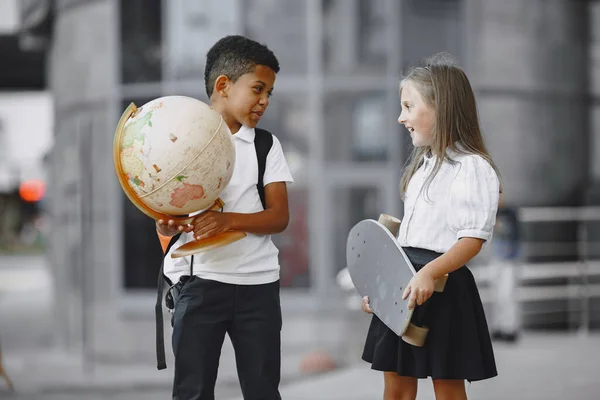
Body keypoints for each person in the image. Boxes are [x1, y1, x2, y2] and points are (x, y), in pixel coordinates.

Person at [156, 35, 293, 400]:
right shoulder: (178, 139)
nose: (264, 101)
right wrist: (165, 227)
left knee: (263, 390)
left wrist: (229, 221)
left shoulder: (266, 145)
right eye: (258, 89)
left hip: (259, 286)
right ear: (223, 86)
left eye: (270, 93)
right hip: (199, 285)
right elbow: (167, 218)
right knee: (193, 391)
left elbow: (279, 217)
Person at [361, 54, 500, 400]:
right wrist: (380, 289)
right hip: (406, 283)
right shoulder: (422, 166)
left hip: (443, 286)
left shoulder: (471, 168)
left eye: (409, 106)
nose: (400, 117)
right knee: (395, 386)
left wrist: (429, 273)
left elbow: (472, 238)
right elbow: (407, 238)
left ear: (442, 108)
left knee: (447, 388)